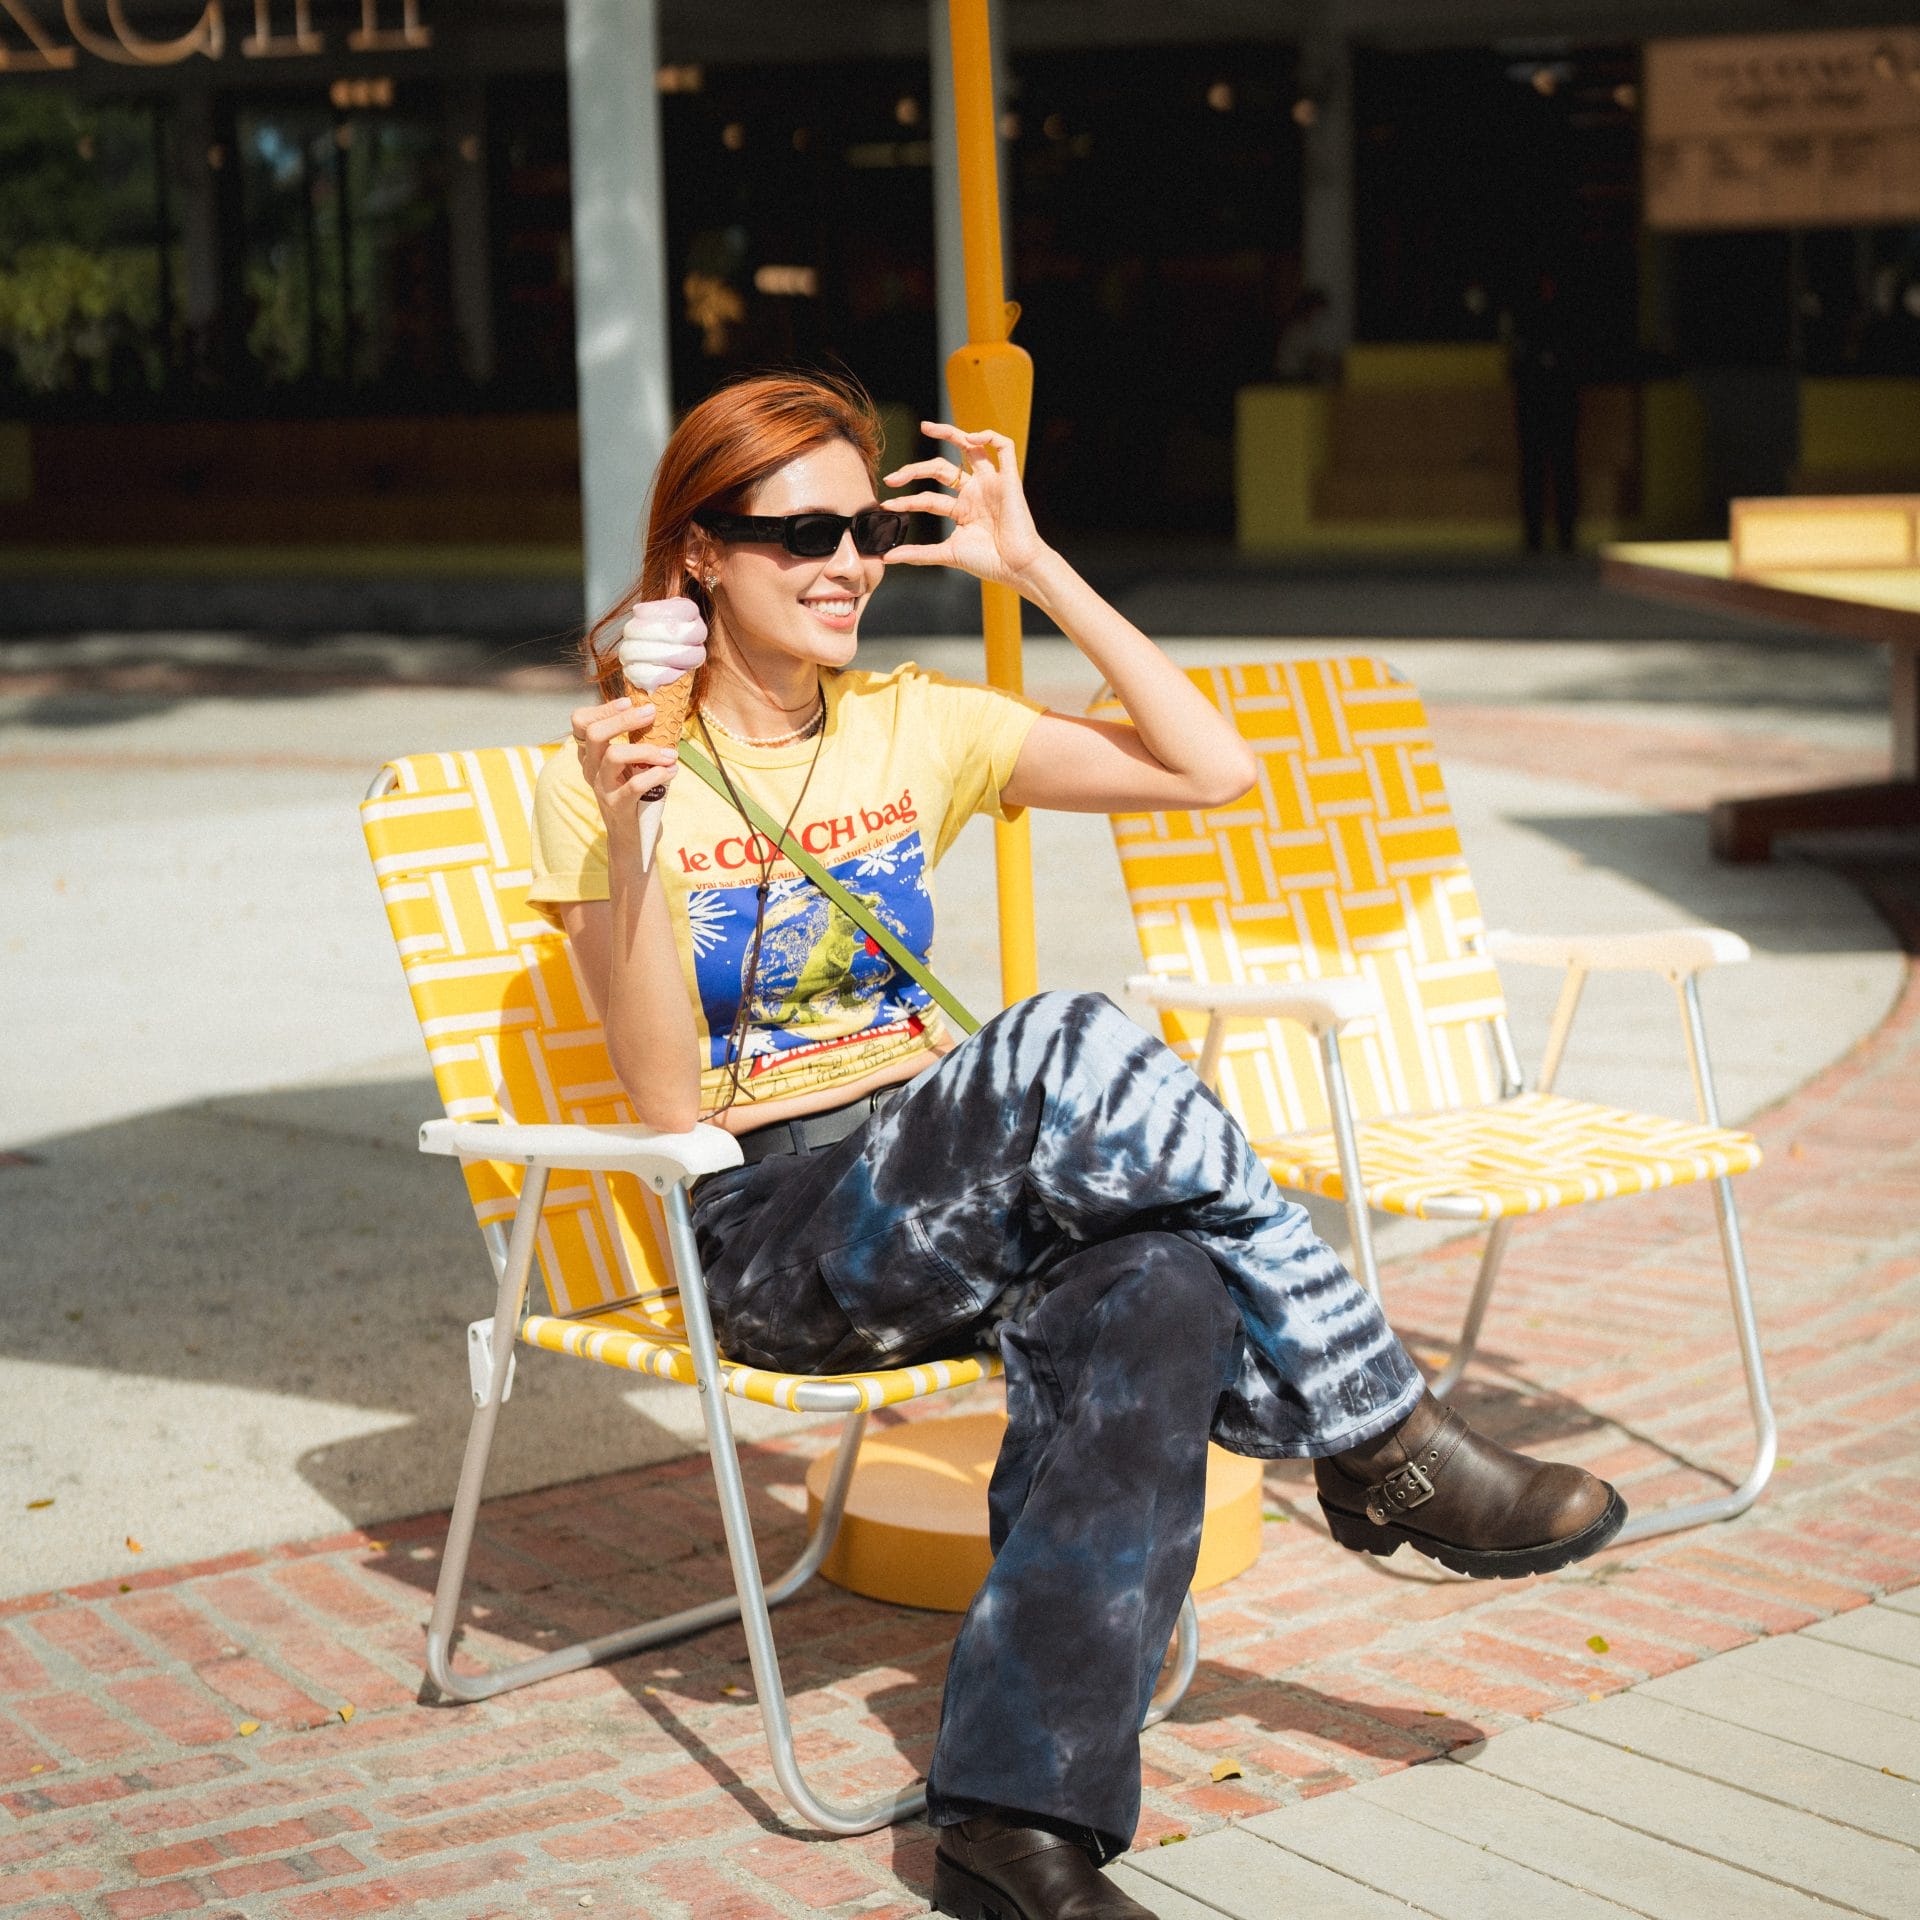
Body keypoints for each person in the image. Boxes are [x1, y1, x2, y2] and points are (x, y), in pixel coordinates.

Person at [528, 371, 1624, 1920]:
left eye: (864, 530)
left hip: (951, 1185)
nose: (845, 562)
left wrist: (1035, 567)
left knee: (1165, 1285)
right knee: (1072, 1036)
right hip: (773, 1227)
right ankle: (1377, 1435)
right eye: (801, 536)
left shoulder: (919, 728)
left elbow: (1210, 773)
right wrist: (629, 834)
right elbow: (658, 1100)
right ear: (699, 555)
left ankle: (1012, 1825)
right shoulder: (608, 772)